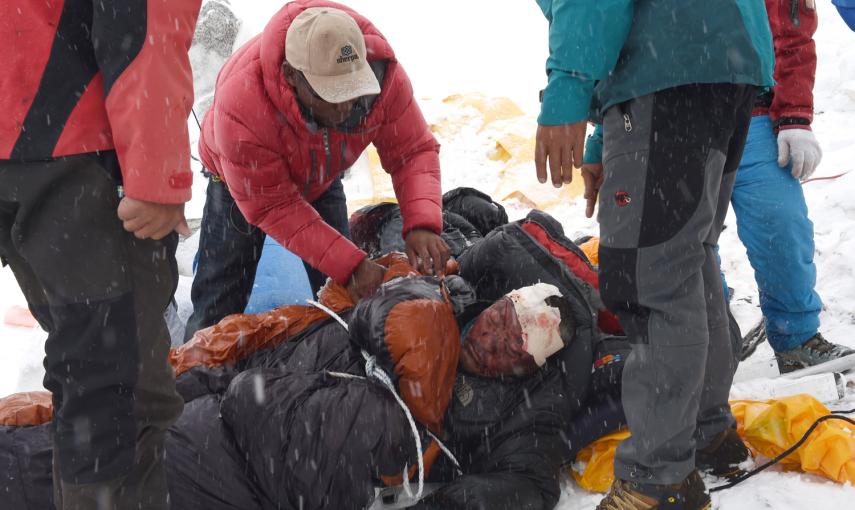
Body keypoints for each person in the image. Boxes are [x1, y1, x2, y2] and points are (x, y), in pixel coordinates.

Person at [534, 1, 774, 508]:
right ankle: (704, 431)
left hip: (671, 68)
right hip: (716, 62)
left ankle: (656, 480)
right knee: (686, 254)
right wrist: (606, 135)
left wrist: (567, 92)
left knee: (648, 276)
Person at [0, 1, 201, 508]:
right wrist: (157, 172)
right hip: (69, 136)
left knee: (84, 370)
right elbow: (142, 15)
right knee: (120, 386)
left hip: (22, 130)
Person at [185, 0, 449, 340]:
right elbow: (274, 206)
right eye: (330, 94)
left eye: (351, 92)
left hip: (321, 176)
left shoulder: (382, 77)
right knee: (217, 302)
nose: (344, 107)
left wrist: (422, 223)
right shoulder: (242, 106)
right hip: (241, 186)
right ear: (292, 77)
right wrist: (349, 264)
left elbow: (412, 150)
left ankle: (339, 357)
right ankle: (197, 374)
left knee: (343, 295)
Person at [723, 0, 854, 371]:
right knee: (689, 243)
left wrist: (795, 116)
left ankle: (796, 337)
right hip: (678, 115)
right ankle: (707, 339)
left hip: (756, 112)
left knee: (782, 224)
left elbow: (793, 35)